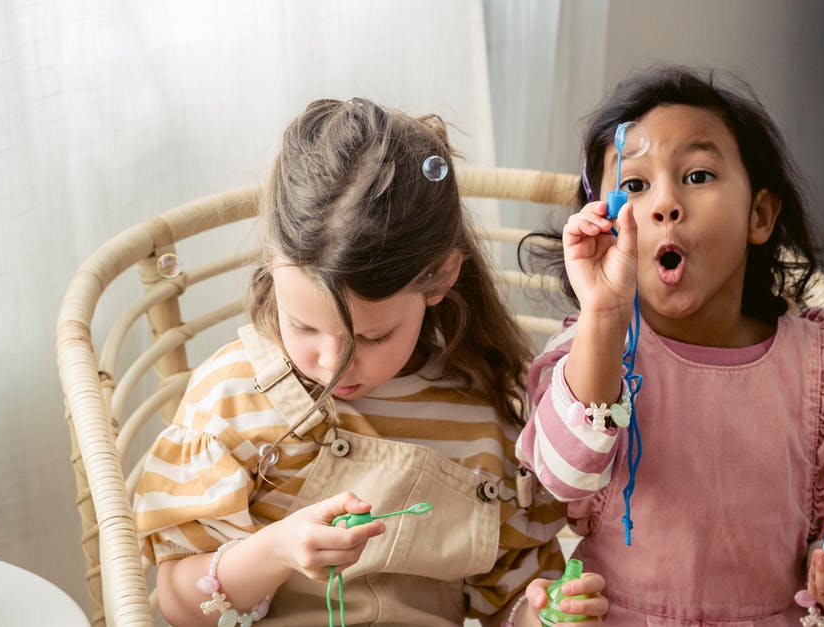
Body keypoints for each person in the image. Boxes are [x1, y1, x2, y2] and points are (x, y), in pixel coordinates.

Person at [133, 98, 608, 626]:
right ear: (273, 266)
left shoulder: (483, 416)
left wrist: (543, 615)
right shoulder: (234, 397)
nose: (333, 362)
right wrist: (275, 552)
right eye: (304, 326)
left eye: (374, 336)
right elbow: (178, 603)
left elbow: (510, 601)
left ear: (441, 279)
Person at [517, 66, 824, 626]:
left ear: (760, 215)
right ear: (603, 225)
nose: (665, 204)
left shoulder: (823, 373)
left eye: (697, 175)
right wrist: (603, 315)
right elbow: (560, 476)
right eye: (636, 186)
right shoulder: (595, 351)